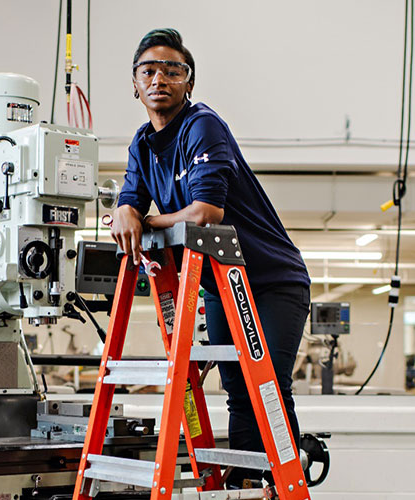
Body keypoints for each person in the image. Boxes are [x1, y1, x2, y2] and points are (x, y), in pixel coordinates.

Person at [110, 28, 310, 488]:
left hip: (271, 279)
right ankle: (244, 484)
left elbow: (205, 213)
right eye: (148, 70)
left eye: (172, 70)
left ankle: (283, 486)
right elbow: (131, 198)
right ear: (135, 84)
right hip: (222, 283)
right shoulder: (142, 144)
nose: (160, 77)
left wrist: (149, 222)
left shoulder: (203, 125)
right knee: (238, 394)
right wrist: (125, 210)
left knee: (268, 390)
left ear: (189, 82)